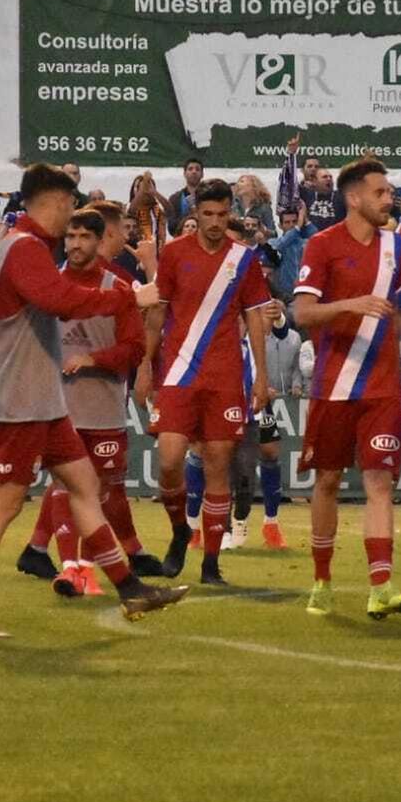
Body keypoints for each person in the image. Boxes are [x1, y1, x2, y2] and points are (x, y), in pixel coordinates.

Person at [0, 165, 184, 639]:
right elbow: (59, 300)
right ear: (52, 203)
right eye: (70, 206)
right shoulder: (24, 249)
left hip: (43, 401)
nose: (72, 217)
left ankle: (131, 588)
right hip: (20, 400)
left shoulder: (23, 247)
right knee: (5, 503)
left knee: (84, 487)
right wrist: (129, 299)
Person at [291, 158, 401, 620]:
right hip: (334, 384)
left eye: (390, 192)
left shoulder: (397, 246)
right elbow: (302, 313)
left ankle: (381, 586)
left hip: (383, 387)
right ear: (354, 198)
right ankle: (322, 580)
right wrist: (353, 305)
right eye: (381, 192)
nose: (390, 199)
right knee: (327, 481)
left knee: (379, 483)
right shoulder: (322, 246)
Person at [17, 202, 163, 590]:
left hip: (104, 408)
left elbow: (134, 349)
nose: (76, 244)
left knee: (103, 488)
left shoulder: (117, 289)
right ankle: (74, 568)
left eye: (84, 237)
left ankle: (97, 556)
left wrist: (92, 359)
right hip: (58, 408)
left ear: (100, 242)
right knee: (68, 486)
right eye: (70, 236)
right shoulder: (48, 285)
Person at [136, 178, 273, 585]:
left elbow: (254, 317)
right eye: (207, 214)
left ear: (231, 212)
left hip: (226, 375)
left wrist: (261, 377)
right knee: (169, 462)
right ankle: (180, 530)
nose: (214, 222)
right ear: (195, 213)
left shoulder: (244, 259)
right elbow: (157, 313)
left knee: (218, 466)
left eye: (221, 213)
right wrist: (145, 365)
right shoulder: (176, 253)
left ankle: (211, 563)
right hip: (178, 373)